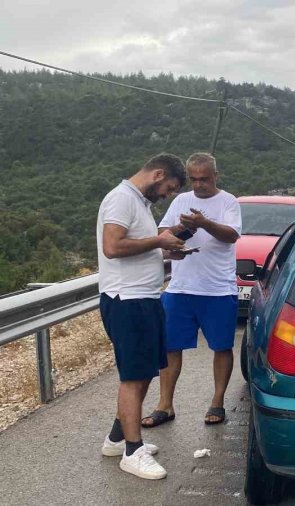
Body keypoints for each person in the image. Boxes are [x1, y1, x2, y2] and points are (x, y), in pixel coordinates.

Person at [97, 153, 187, 480]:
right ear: (158, 174)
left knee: (146, 370)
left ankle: (117, 439)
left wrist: (165, 251)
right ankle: (132, 452)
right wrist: (159, 240)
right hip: (127, 300)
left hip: (145, 298)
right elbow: (112, 246)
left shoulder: (140, 203)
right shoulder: (121, 198)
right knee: (133, 377)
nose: (167, 195)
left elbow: (138, 246)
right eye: (169, 188)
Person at [142, 152, 242, 429]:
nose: (199, 185)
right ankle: (165, 405)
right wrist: (178, 232)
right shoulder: (181, 201)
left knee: (221, 347)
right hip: (180, 288)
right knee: (170, 347)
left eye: (204, 179)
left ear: (215, 176)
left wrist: (204, 223)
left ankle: (217, 401)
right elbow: (163, 233)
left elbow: (232, 235)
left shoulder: (229, 201)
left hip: (218, 290)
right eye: (194, 179)